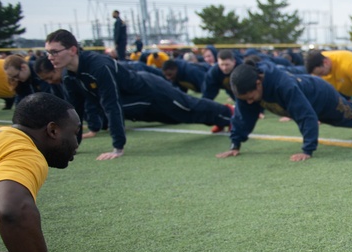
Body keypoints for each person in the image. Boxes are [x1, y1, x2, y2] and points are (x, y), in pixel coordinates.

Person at [45, 30, 233, 159]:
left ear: (72, 50)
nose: (50, 57)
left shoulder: (98, 66)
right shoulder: (68, 76)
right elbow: (75, 112)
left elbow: (112, 103)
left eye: (54, 52)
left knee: (190, 107)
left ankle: (230, 113)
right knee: (185, 117)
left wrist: (118, 148)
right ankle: (222, 119)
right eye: (47, 53)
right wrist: (72, 146)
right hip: (140, 107)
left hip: (152, 91)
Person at [0, 92, 100, 252]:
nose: (76, 144)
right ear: (53, 130)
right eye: (74, 132)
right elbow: (12, 210)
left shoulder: (2, 137)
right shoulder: (24, 151)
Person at [218, 60, 352, 162]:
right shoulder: (248, 91)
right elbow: (243, 117)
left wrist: (307, 150)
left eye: (250, 97)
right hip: (308, 98)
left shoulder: (283, 85)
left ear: (258, 84)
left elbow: (305, 115)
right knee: (348, 118)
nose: (249, 102)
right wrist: (235, 144)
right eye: (244, 99)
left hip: (321, 95)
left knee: (349, 117)